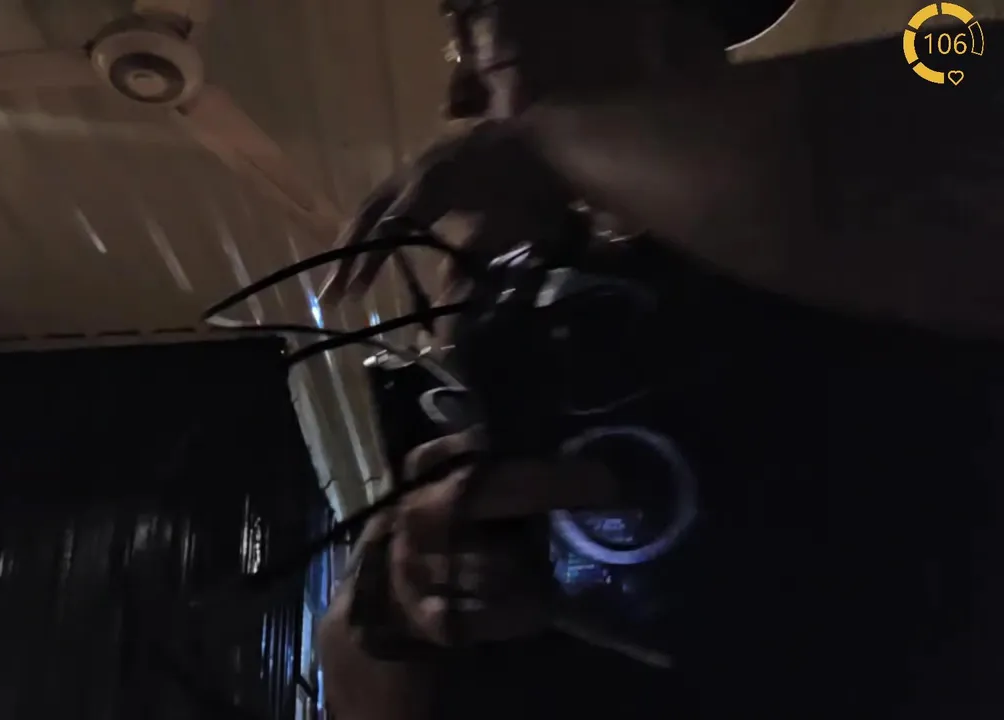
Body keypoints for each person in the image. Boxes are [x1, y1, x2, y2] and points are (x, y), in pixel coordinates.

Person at [315, 1, 1004, 718]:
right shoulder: (527, 323)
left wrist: (555, 145)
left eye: (480, 21)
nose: (460, 97)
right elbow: (353, 676)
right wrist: (398, 605)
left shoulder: (861, 256)